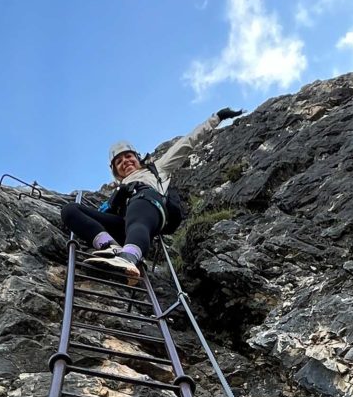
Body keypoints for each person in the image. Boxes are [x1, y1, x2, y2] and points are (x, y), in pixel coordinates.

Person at [59, 110, 240, 283]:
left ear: (138, 158)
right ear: (115, 170)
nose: (125, 162)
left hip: (149, 206)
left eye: (129, 157)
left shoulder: (157, 169)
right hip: (125, 223)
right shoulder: (118, 190)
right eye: (119, 162)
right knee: (70, 210)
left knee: (139, 206)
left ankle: (129, 258)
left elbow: (187, 143)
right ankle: (111, 248)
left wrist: (216, 118)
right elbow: (105, 213)